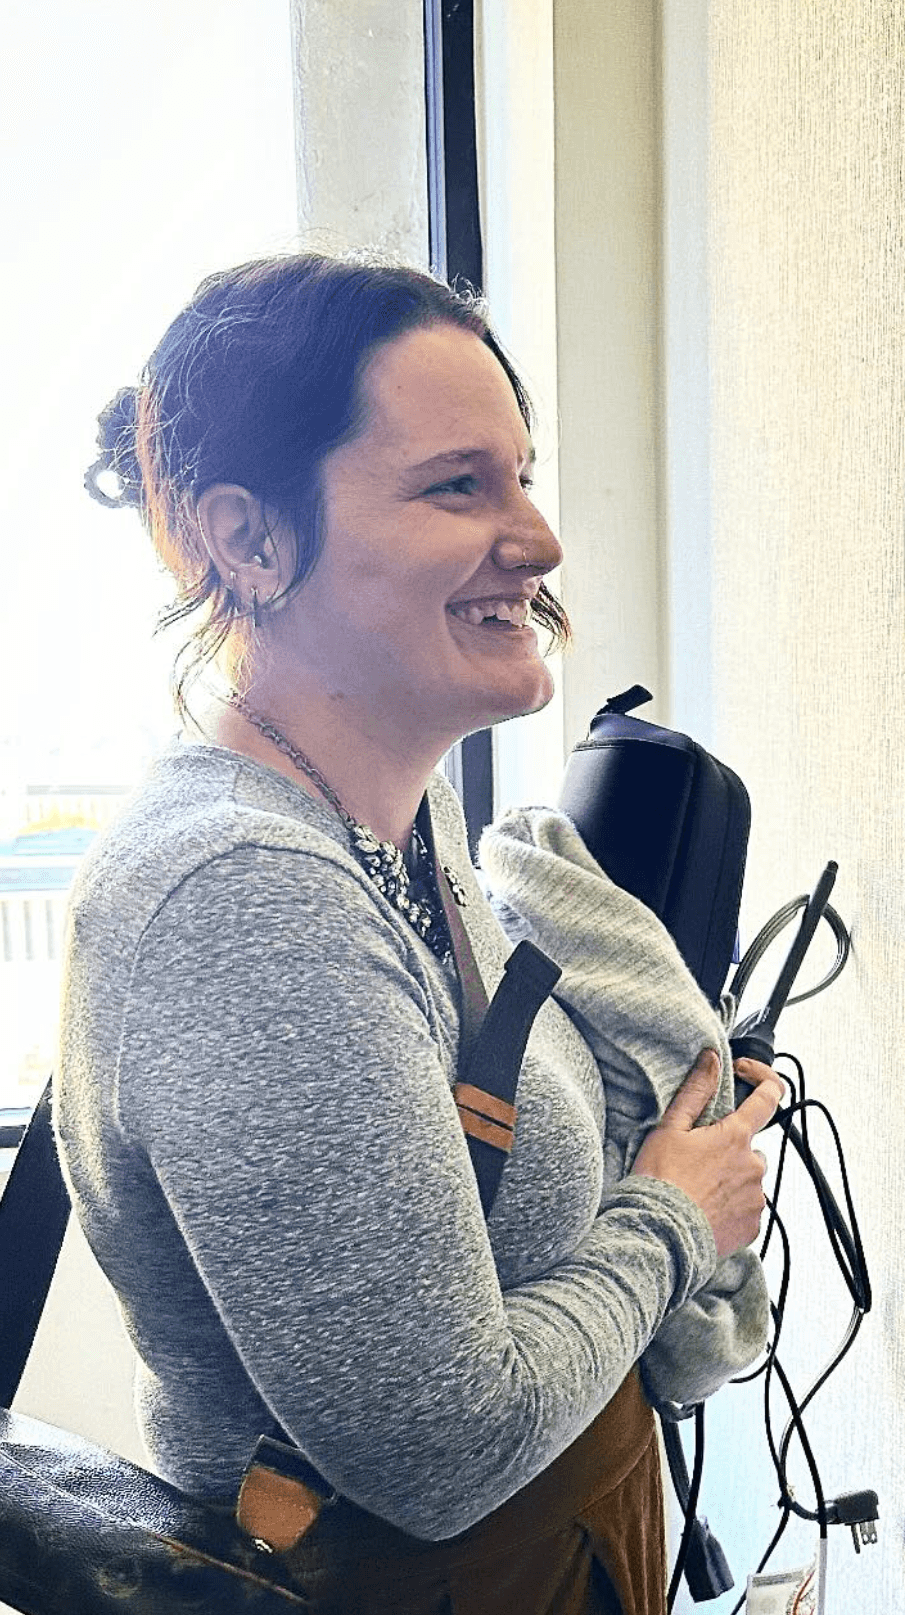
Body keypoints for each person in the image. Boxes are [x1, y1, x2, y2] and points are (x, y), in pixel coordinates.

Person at [56, 252, 782, 1615]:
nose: (540, 537)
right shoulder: (242, 903)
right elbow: (445, 1450)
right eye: (460, 484)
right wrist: (677, 1215)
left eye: (521, 473)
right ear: (251, 539)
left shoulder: (407, 817)